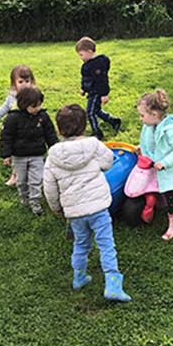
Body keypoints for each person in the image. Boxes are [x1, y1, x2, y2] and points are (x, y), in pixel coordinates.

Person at [43, 104, 131, 301]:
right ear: (84, 127)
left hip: (74, 212)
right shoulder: (94, 144)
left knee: (81, 244)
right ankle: (113, 285)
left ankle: (79, 278)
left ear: (59, 129)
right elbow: (108, 161)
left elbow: (48, 187)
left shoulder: (53, 157)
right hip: (99, 207)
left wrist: (57, 208)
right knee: (106, 244)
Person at [137, 89, 173, 241]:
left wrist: (165, 162)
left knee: (169, 192)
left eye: (142, 115)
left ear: (154, 115)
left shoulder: (172, 130)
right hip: (159, 160)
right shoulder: (151, 125)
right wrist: (141, 148)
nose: (140, 119)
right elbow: (149, 141)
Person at [0, 87, 58, 215]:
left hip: (37, 155)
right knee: (21, 180)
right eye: (34, 106)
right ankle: (24, 198)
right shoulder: (12, 118)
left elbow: (50, 134)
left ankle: (35, 202)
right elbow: (6, 137)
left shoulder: (42, 116)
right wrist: (6, 155)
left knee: (36, 179)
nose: (37, 108)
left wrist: (54, 149)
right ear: (24, 105)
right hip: (19, 156)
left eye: (39, 105)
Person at [0, 65, 37, 186]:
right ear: (14, 83)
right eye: (20, 82)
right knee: (17, 155)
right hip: (16, 132)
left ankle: (32, 173)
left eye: (27, 81)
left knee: (32, 152)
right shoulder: (12, 98)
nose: (25, 84)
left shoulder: (33, 95)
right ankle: (15, 175)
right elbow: (4, 108)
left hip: (30, 131)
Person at [76, 36, 121, 140]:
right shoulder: (87, 65)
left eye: (81, 55)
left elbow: (102, 80)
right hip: (91, 92)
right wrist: (83, 89)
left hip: (97, 93)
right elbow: (86, 79)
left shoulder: (97, 65)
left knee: (90, 113)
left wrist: (104, 94)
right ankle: (114, 121)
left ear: (90, 51)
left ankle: (97, 132)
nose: (80, 58)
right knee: (96, 110)